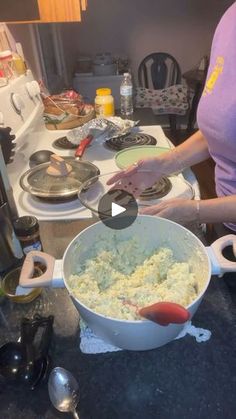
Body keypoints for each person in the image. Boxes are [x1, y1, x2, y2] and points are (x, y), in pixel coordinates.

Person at [107, 2, 236, 233]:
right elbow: (221, 132)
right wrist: (165, 163)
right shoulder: (230, 18)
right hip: (225, 221)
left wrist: (196, 210)